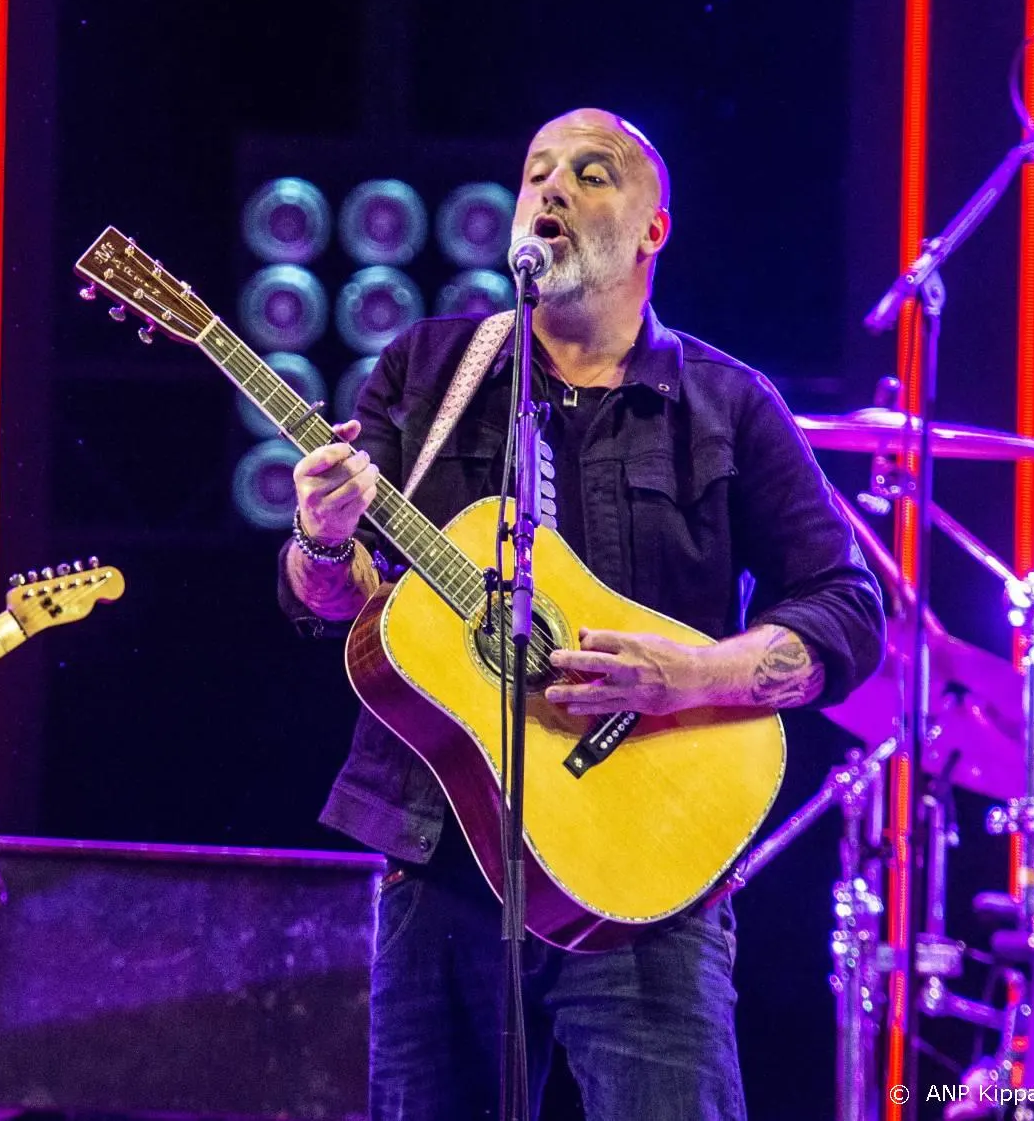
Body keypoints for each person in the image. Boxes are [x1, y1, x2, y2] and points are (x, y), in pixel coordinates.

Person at [280, 109, 887, 1119]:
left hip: (645, 864)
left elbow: (849, 608)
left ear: (654, 229)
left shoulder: (727, 402)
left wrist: (688, 675)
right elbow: (333, 607)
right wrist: (324, 537)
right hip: (439, 850)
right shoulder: (426, 373)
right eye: (537, 172)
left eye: (590, 173)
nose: (552, 189)